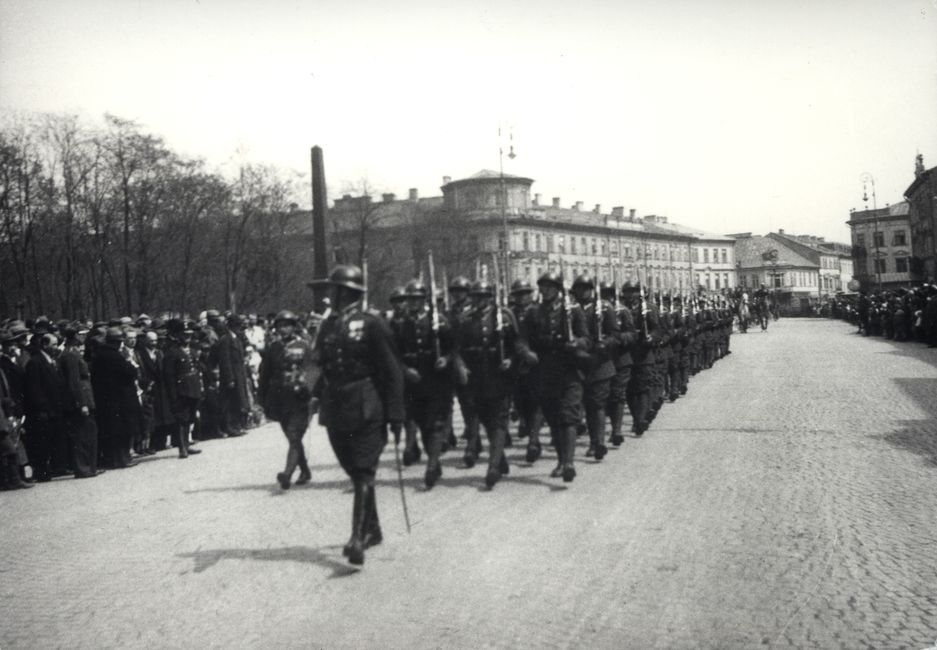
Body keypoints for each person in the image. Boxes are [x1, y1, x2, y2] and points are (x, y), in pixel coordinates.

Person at [311, 265, 405, 566]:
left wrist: (396, 414)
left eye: (333, 290)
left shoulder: (372, 324)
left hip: (367, 405)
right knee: (354, 470)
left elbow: (392, 372)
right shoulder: (327, 326)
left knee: (364, 471)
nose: (329, 295)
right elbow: (319, 364)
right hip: (336, 407)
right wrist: (312, 393)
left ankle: (357, 538)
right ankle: (373, 528)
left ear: (346, 292)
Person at [453, 280, 526, 488]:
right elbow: (457, 349)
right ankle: (500, 459)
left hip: (500, 377)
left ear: (490, 298)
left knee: (499, 421)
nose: (480, 301)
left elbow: (517, 344)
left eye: (483, 297)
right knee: (485, 420)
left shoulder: (503, 317)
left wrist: (511, 360)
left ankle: (493, 467)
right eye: (476, 297)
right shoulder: (467, 320)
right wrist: (461, 366)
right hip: (477, 379)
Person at [521, 271, 589, 482]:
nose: (546, 290)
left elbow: (587, 339)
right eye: (543, 286)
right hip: (544, 372)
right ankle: (561, 461)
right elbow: (521, 340)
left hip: (569, 371)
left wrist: (576, 343)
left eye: (550, 286)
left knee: (568, 416)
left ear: (558, 289)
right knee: (553, 419)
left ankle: (569, 463)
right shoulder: (533, 312)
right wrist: (527, 352)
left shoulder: (573, 311)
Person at [390, 279, 455, 488]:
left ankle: (431, 465)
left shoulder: (438, 321)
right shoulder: (399, 324)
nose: (413, 303)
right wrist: (405, 370)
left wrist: (445, 359)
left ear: (424, 300)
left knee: (435, 424)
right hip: (413, 383)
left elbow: (453, 348)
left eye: (417, 299)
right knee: (423, 426)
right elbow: (393, 354)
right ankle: (434, 462)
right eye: (410, 299)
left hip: (436, 381)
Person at [258, 310, 316, 490]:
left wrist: (310, 391)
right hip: (280, 399)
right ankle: (305, 470)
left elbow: (312, 371)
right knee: (293, 438)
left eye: (287, 325)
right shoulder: (273, 347)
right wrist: (261, 399)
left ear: (294, 326)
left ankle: (287, 474)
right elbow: (265, 374)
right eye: (281, 326)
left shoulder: (304, 346)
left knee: (294, 434)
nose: (284, 329)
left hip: (300, 398)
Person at [571, 274, 619, 461]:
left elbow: (615, 334)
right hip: (578, 363)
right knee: (581, 404)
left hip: (600, 363)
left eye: (586, 288)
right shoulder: (570, 310)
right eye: (579, 288)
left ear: (592, 289)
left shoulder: (604, 308)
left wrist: (605, 343)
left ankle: (597, 443)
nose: (583, 292)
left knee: (596, 404)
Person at [91, 328, 141, 469]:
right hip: (120, 399)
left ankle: (111, 460)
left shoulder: (98, 355)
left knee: (109, 430)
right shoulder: (116, 356)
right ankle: (122, 459)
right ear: (118, 342)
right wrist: (129, 361)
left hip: (104, 398)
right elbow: (131, 371)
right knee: (122, 430)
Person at [58, 323, 101, 478]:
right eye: (81, 334)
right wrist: (81, 403)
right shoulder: (70, 354)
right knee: (82, 435)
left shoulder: (73, 352)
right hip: (80, 400)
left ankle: (88, 467)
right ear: (74, 336)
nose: (83, 337)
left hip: (84, 397)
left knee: (87, 433)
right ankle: (83, 468)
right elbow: (73, 381)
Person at [24, 332, 68, 481]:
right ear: (44, 345)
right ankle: (42, 471)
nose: (56, 347)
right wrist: (42, 408)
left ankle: (55, 468)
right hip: (45, 410)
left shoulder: (52, 361)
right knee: (43, 442)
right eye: (53, 344)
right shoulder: (35, 362)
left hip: (56, 408)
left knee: (54, 439)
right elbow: (34, 389)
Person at [162, 319, 203, 459]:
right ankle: (182, 447)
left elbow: (196, 370)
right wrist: (173, 396)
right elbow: (169, 377)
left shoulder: (191, 351)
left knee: (190, 417)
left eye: (189, 334)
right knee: (181, 419)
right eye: (184, 334)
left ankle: (187, 444)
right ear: (178, 335)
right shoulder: (172, 352)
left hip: (193, 388)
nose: (187, 337)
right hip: (182, 391)